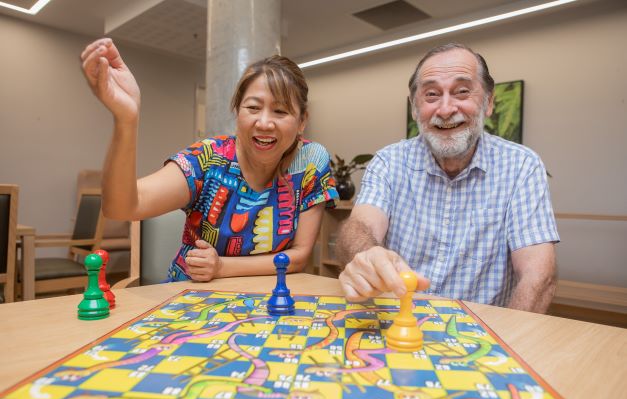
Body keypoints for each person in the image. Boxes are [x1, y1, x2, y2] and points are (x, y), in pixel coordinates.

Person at [80, 38, 338, 282]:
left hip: (267, 301)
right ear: (237, 112)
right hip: (192, 298)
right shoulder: (208, 159)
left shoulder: (311, 161)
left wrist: (222, 267)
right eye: (253, 108)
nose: (264, 123)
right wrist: (126, 120)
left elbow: (300, 256)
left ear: (302, 120)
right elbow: (120, 208)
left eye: (281, 111)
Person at [336, 43, 559, 313]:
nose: (445, 109)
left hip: (483, 334)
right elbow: (360, 226)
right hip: (398, 323)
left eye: (462, 92)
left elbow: (538, 276)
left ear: (488, 102)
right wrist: (366, 253)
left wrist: (506, 344)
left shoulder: (522, 166)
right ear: (415, 108)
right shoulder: (389, 162)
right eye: (431, 95)